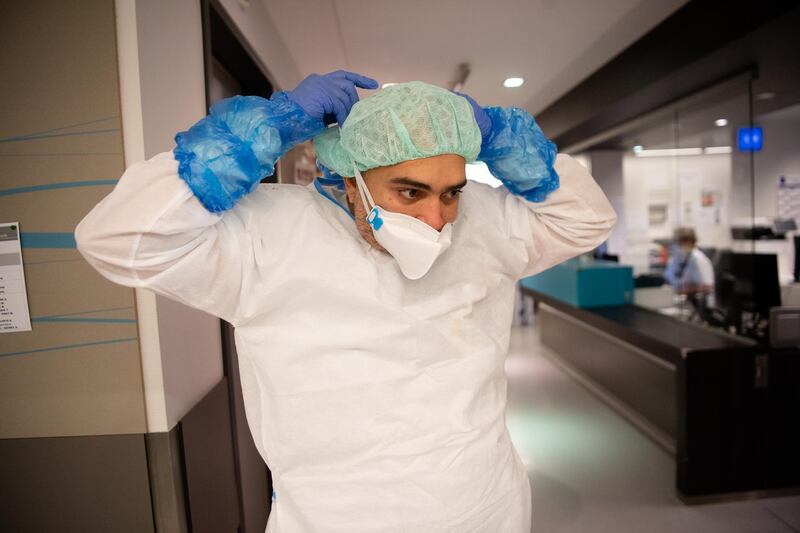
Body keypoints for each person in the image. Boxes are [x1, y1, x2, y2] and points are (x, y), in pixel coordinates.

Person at [75, 71, 616, 532]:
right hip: (340, 516)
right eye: (409, 191)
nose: (435, 219)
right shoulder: (268, 233)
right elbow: (119, 241)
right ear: (352, 181)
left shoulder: (486, 224)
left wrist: (502, 137)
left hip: (482, 505)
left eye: (451, 192)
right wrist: (266, 130)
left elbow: (587, 219)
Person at [664, 227, 715, 309]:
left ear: (689, 242)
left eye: (679, 242)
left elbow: (708, 287)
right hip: (679, 299)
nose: (676, 246)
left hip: (697, 302)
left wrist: (686, 289)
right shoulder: (679, 257)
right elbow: (668, 277)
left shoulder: (699, 259)